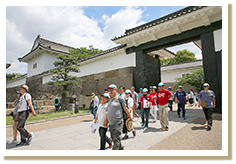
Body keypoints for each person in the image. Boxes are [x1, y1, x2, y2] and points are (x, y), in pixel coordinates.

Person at [106, 84, 133, 150]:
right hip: (111, 124)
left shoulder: (120, 98)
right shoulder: (109, 100)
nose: (110, 91)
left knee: (116, 142)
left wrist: (130, 117)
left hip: (118, 123)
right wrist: (106, 121)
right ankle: (121, 149)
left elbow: (125, 109)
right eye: (109, 90)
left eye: (112, 90)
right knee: (116, 139)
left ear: (116, 90)